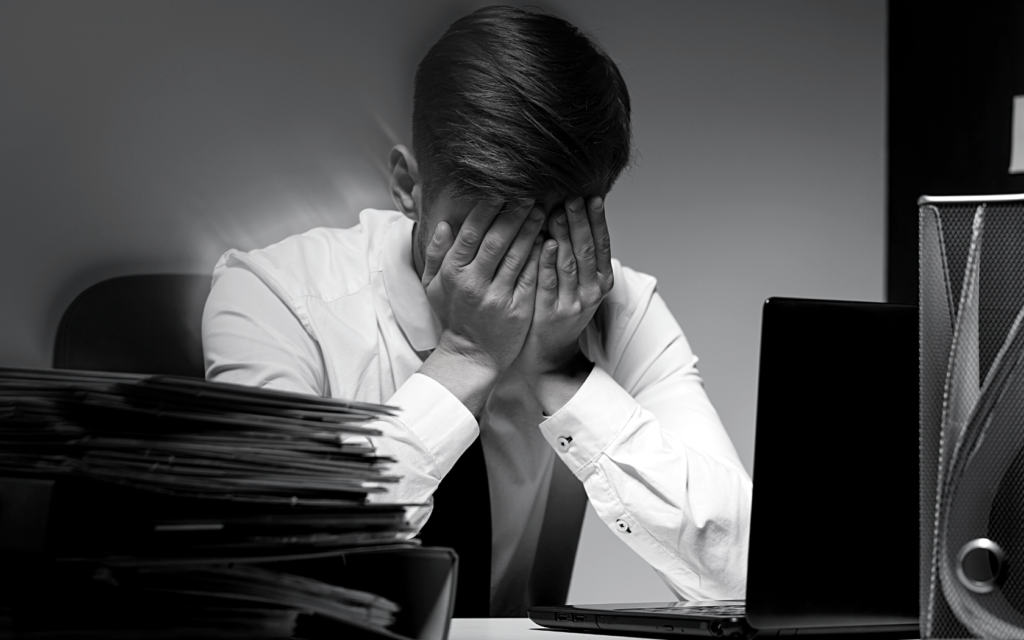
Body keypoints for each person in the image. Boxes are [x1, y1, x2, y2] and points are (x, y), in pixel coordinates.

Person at [203, 5, 751, 617]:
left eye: (548, 236)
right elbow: (272, 572)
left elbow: (748, 574)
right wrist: (464, 359)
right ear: (409, 187)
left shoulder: (615, 304)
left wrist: (562, 370)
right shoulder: (273, 296)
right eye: (483, 235)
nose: (513, 272)